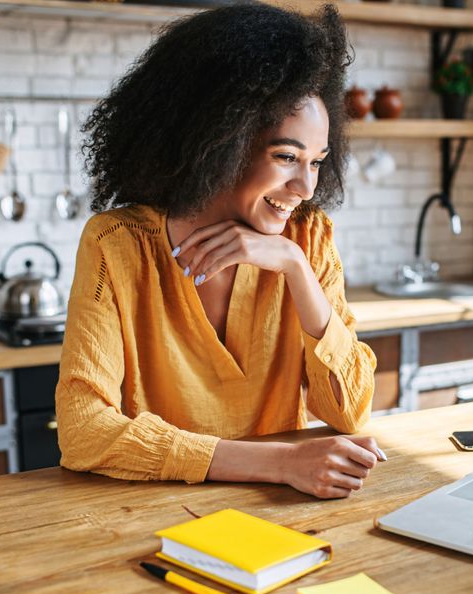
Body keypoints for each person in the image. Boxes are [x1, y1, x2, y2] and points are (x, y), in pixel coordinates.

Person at [55, 4, 383, 500]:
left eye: (317, 162)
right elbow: (82, 433)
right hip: (154, 510)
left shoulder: (307, 238)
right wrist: (280, 463)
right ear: (218, 141)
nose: (305, 186)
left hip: (283, 510)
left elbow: (350, 412)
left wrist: (295, 268)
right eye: (286, 157)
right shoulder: (116, 245)